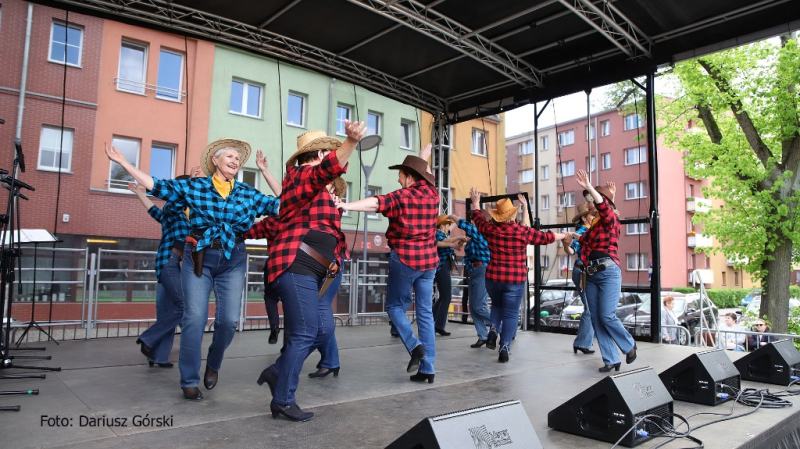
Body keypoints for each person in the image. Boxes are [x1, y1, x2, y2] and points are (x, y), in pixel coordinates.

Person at [104, 138, 280, 401]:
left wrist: (266, 172)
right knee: (194, 318)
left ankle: (214, 363)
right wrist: (124, 163)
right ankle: (189, 379)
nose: (234, 161)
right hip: (199, 256)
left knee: (229, 321)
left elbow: (283, 203)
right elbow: (158, 186)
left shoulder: (247, 192)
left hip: (233, 258)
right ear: (215, 160)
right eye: (229, 156)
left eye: (237, 159)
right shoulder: (194, 187)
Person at [255, 122, 365, 423]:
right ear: (317, 155)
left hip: (315, 269)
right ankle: (283, 400)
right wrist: (351, 142)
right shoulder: (300, 175)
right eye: (328, 152)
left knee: (319, 330)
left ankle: (277, 372)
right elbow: (323, 172)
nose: (332, 156)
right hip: (296, 264)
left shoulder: (315, 192)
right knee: (306, 331)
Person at [338, 144, 439, 384]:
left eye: (401, 174)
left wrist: (346, 205)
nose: (398, 177)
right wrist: (422, 157)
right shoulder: (434, 194)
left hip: (405, 259)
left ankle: (415, 347)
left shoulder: (401, 197)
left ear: (409, 176)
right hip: (429, 263)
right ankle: (428, 367)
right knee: (425, 312)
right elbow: (427, 175)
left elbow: (375, 203)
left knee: (394, 307)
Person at [468, 188, 568, 362]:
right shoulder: (522, 232)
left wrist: (476, 202)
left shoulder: (491, 230)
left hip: (493, 278)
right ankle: (504, 346)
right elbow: (546, 238)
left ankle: (492, 330)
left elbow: (478, 219)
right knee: (511, 314)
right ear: (512, 216)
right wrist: (564, 235)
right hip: (514, 281)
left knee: (497, 306)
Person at [575, 170, 637, 373]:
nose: (590, 204)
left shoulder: (611, 221)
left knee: (607, 316)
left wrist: (589, 186)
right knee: (595, 317)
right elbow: (583, 241)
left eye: (592, 201)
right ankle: (611, 359)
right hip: (591, 275)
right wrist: (569, 236)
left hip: (608, 272)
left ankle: (628, 345)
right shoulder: (594, 227)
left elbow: (605, 207)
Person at [128, 175, 192, 368]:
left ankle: (158, 357)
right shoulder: (175, 206)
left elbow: (153, 211)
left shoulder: (175, 212)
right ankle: (148, 339)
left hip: (168, 264)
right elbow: (177, 199)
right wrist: (189, 180)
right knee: (183, 307)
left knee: (168, 312)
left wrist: (140, 193)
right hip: (171, 262)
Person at [448, 211, 491, 348]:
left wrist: (453, 217)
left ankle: (502, 327)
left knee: (479, 306)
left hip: (481, 271)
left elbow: (467, 227)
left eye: (474, 221)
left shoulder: (483, 233)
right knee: (473, 307)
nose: (472, 223)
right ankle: (483, 335)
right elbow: (464, 251)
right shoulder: (475, 237)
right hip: (473, 272)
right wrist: (464, 242)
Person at [563, 201, 595, 354]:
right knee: (590, 308)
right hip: (582, 271)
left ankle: (583, 342)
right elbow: (571, 250)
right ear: (584, 218)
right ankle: (582, 343)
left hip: (588, 271)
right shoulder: (582, 231)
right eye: (592, 215)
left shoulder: (593, 230)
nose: (594, 217)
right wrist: (566, 245)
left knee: (592, 308)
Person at [432, 215, 467, 336]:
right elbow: (444, 243)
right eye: (446, 225)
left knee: (443, 296)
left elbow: (454, 246)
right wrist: (457, 237)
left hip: (444, 267)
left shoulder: (444, 234)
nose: (448, 227)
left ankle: (432, 321)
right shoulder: (438, 234)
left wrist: (460, 242)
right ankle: (438, 325)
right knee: (446, 296)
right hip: (441, 268)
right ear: (442, 225)